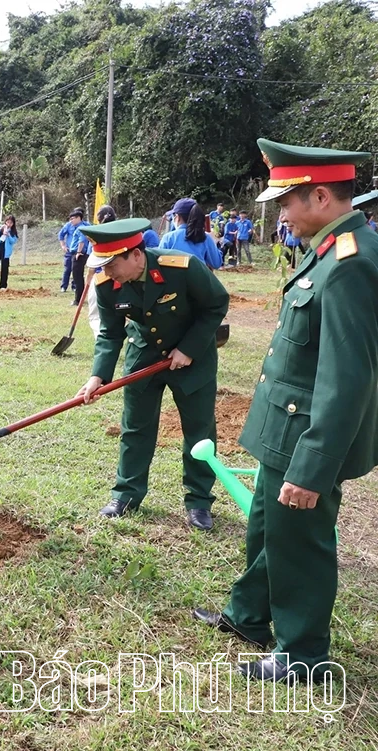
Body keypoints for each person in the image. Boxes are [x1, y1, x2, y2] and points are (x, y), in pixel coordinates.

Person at [193, 138, 378, 683]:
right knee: (267, 525)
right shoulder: (327, 250)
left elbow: (349, 378)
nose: (281, 216)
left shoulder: (350, 263)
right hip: (286, 425)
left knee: (300, 540)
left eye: (286, 203)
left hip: (306, 435)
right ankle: (251, 615)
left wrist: (313, 464)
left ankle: (301, 654)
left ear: (320, 197)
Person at [76, 217, 229, 531]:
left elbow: (216, 304)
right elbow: (110, 333)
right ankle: (126, 495)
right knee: (135, 428)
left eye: (110, 264)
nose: (105, 272)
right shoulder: (107, 285)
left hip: (193, 359)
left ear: (135, 254)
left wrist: (188, 348)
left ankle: (199, 501)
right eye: (102, 265)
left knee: (199, 431)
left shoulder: (182, 268)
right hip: (144, 356)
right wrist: (98, 376)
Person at [159, 198, 223, 270]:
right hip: (198, 279)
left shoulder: (168, 238)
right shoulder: (205, 237)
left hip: (174, 280)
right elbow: (217, 263)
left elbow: (159, 262)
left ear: (177, 217)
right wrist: (213, 241)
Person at [86, 205, 117, 338]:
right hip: (121, 277)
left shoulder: (95, 235)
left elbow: (92, 265)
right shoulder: (121, 232)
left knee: (95, 315)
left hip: (100, 278)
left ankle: (101, 340)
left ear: (98, 219)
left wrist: (87, 282)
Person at [57, 209, 83, 292]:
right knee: (67, 268)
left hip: (81, 251)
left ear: (79, 217)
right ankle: (64, 286)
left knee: (77, 270)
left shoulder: (86, 226)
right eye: (71, 218)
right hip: (69, 251)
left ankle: (75, 286)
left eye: (73, 218)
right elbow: (60, 235)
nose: (71, 220)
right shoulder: (68, 225)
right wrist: (63, 245)